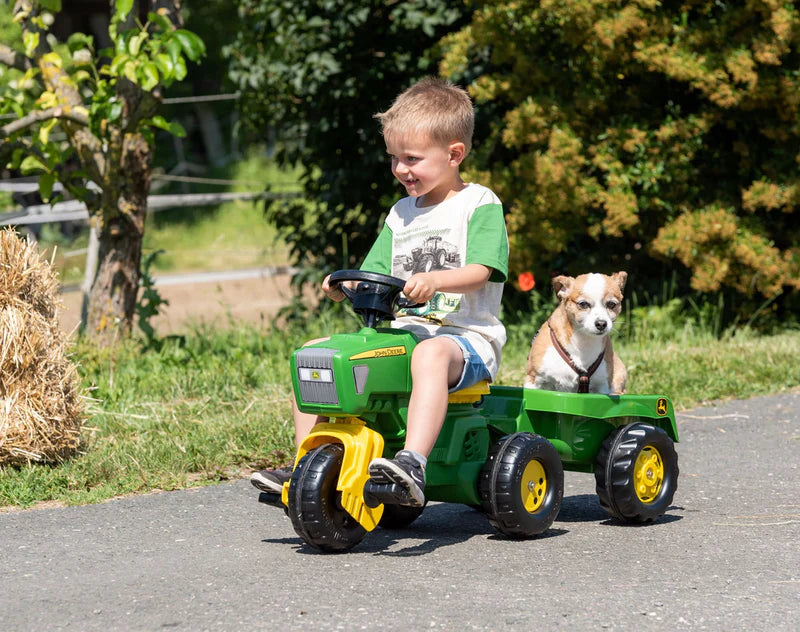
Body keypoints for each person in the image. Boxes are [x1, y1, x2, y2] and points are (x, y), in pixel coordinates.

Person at [251, 77, 508, 507]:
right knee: (318, 350)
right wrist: (344, 284)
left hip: (465, 341)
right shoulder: (400, 214)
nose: (401, 169)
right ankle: (308, 461)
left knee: (430, 354)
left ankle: (413, 462)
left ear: (454, 154)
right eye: (394, 158)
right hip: (405, 336)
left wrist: (436, 280)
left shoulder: (479, 204)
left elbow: (483, 271)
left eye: (412, 158)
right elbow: (372, 271)